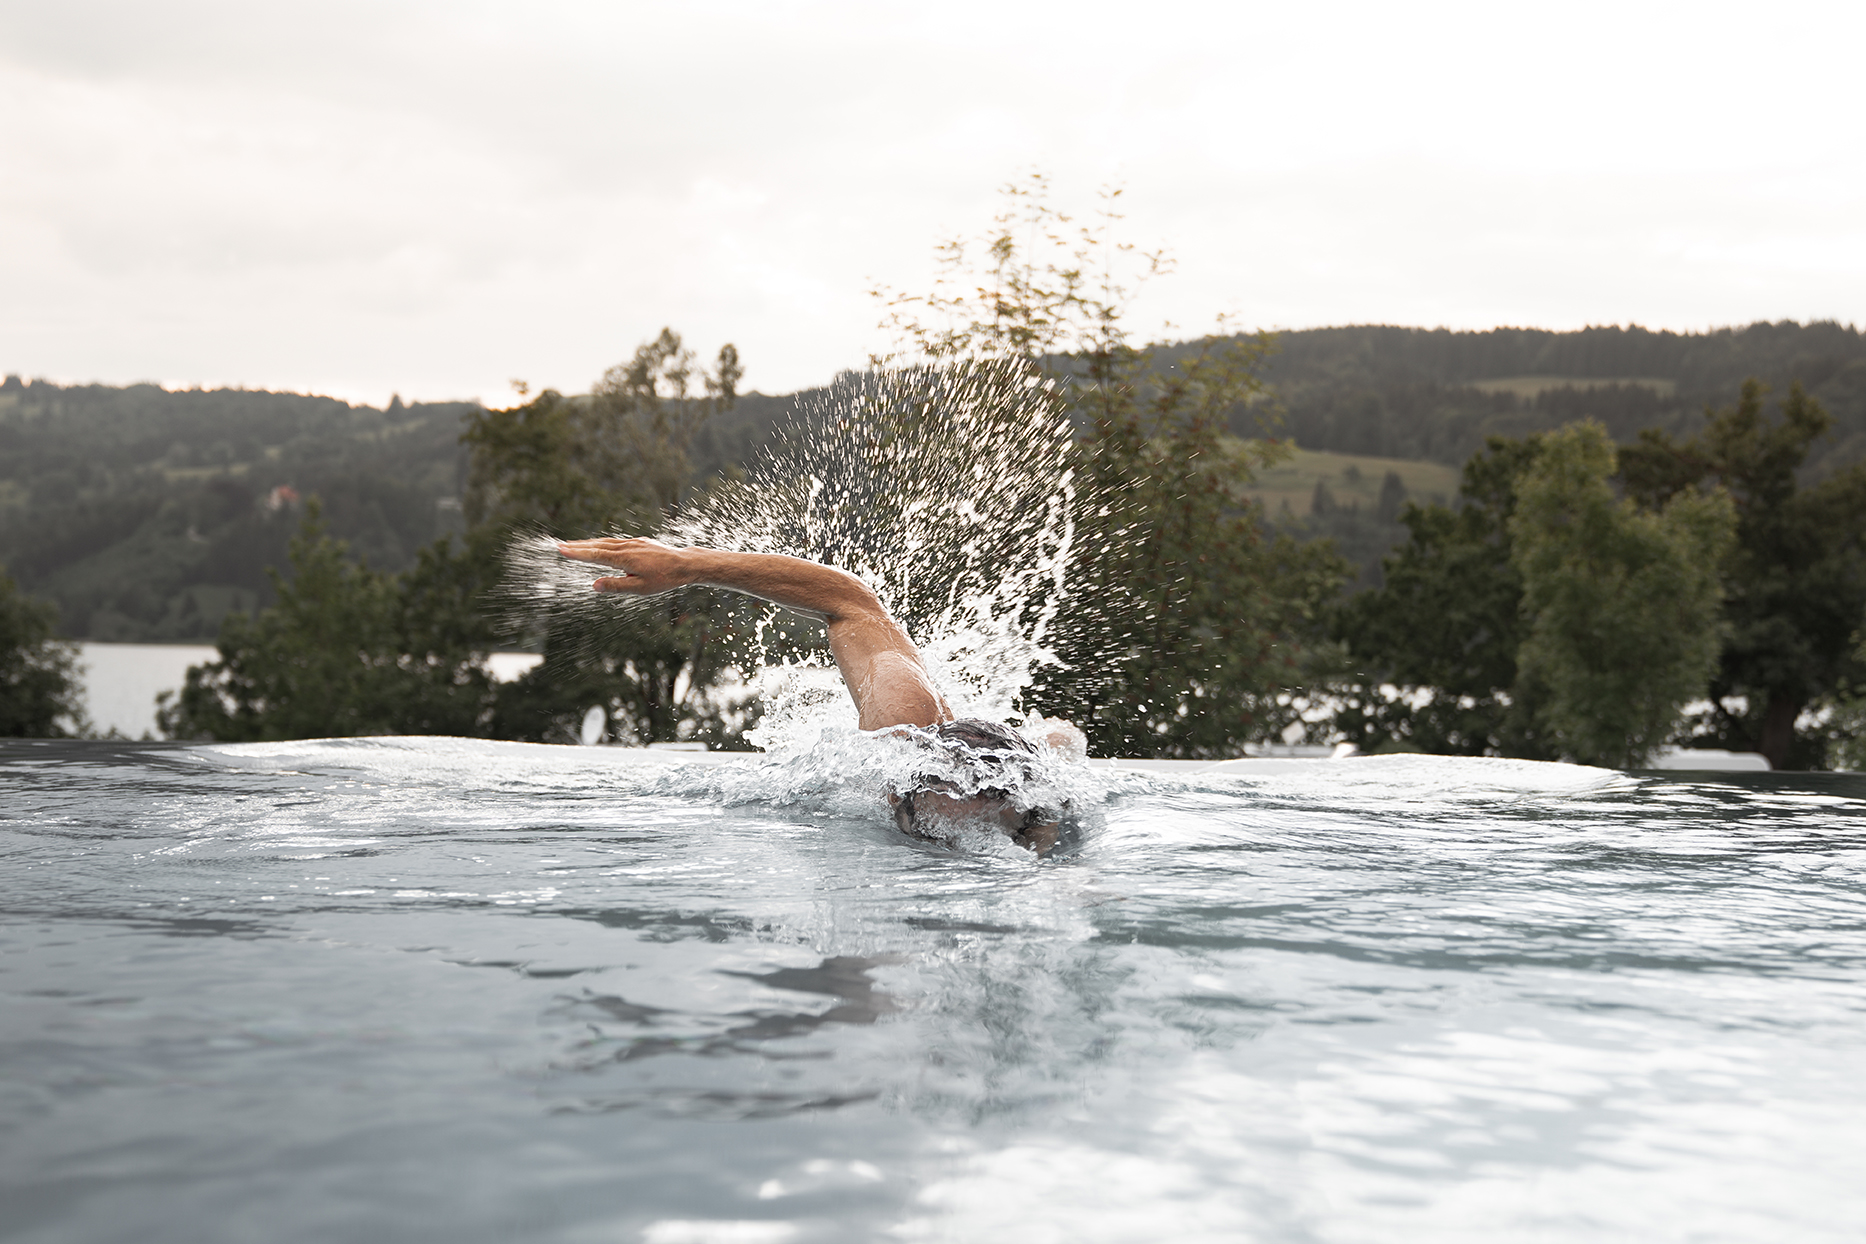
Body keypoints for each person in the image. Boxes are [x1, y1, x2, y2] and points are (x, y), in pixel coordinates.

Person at [555, 536, 1080, 853]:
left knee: (1058, 742)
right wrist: (691, 565)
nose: (956, 854)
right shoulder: (899, 732)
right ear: (898, 799)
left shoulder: (1044, 823)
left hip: (1032, 775)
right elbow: (852, 602)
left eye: (986, 841)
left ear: (1030, 826)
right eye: (936, 833)